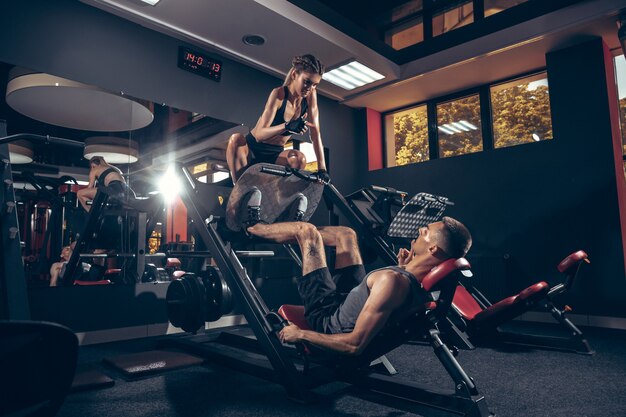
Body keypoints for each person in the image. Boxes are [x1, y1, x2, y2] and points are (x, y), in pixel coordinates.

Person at [247, 217, 472, 355]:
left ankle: (251, 228)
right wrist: (402, 266)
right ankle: (277, 228)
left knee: (306, 231)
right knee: (346, 234)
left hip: (326, 318)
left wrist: (302, 334)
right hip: (347, 300)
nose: (420, 230)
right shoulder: (407, 277)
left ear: (433, 249)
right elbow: (402, 290)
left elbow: (354, 345)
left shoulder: (392, 282)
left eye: (426, 232)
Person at [226, 54, 329, 184]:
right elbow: (259, 135)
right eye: (307, 81)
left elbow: (315, 133)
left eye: (315, 84)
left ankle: (279, 198)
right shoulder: (279, 94)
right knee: (236, 139)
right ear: (294, 75)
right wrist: (286, 126)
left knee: (298, 159)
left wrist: (322, 169)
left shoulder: (310, 96)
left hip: (275, 155)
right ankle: (239, 189)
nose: (310, 88)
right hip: (252, 150)